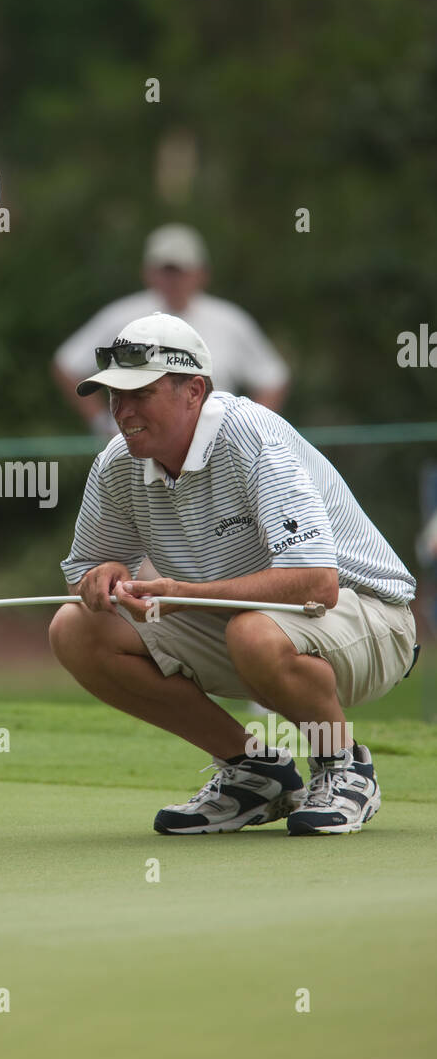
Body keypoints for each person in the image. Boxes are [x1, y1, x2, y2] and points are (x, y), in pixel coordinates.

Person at [50, 311, 417, 837]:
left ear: (193, 391)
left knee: (254, 632)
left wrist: (185, 594)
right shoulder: (118, 463)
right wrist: (102, 576)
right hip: (245, 624)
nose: (122, 411)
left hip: (371, 620)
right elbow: (84, 573)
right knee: (74, 628)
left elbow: (317, 582)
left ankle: (343, 766)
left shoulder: (252, 437)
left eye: (140, 394)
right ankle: (256, 773)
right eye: (114, 396)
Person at [52, 223, 290, 437]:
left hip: (216, 450)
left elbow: (273, 377)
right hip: (136, 447)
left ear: (202, 273)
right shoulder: (120, 317)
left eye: (180, 270)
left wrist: (249, 430)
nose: (173, 279)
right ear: (147, 272)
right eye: (166, 270)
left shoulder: (230, 320)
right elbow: (67, 363)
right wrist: (102, 424)